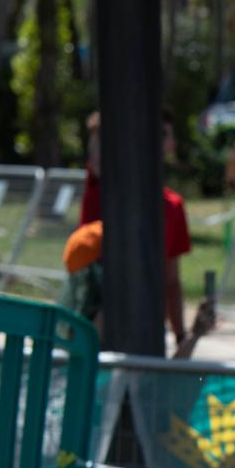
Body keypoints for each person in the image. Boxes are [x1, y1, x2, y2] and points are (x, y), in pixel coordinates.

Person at [78, 110, 194, 354]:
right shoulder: (105, 189)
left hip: (149, 330)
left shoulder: (173, 206)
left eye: (163, 134)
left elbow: (171, 280)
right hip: (99, 330)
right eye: (151, 134)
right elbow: (98, 143)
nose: (156, 140)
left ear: (172, 144)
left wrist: (181, 335)